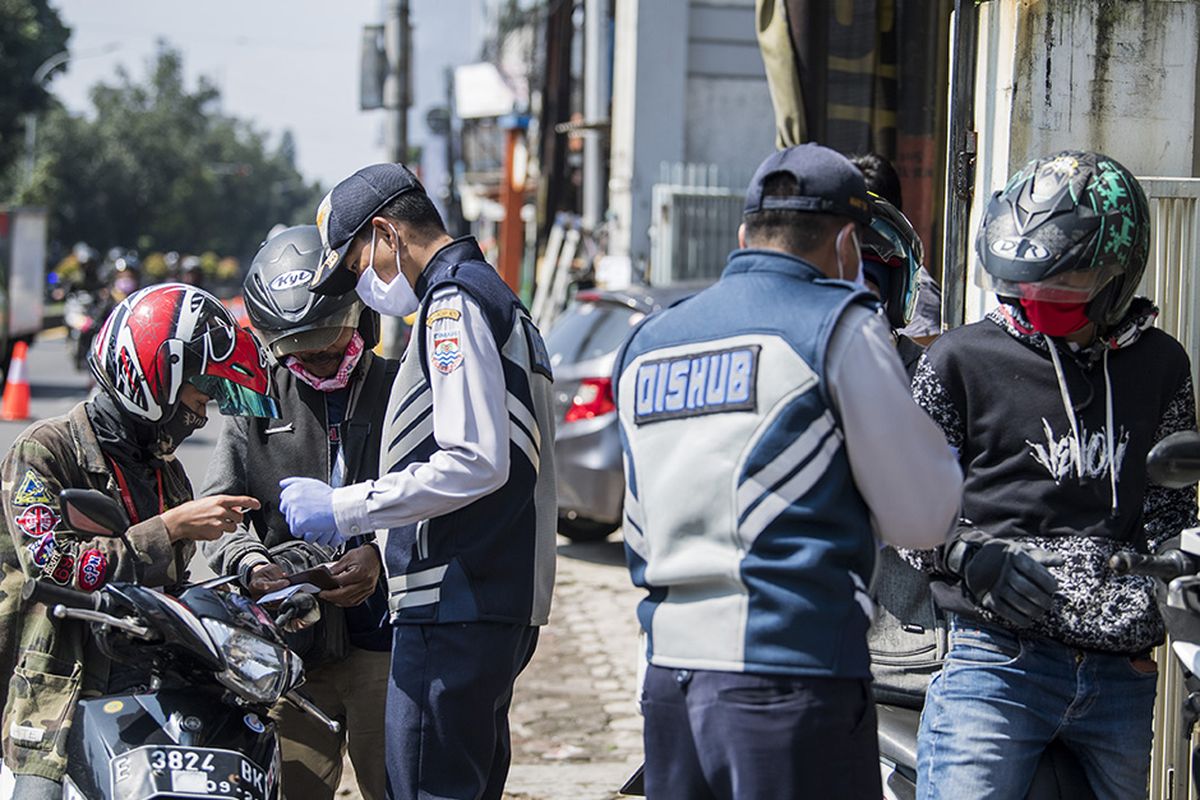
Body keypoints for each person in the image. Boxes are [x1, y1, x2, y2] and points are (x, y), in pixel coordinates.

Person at [612, 143, 963, 799]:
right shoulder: (838, 326)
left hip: (670, 679)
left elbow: (637, 522)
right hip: (791, 677)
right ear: (850, 246)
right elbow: (924, 517)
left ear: (745, 234)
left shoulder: (651, 342)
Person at [902, 151, 1198, 799]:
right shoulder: (960, 360)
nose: (1040, 300)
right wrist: (962, 553)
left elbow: (1172, 522)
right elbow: (902, 500)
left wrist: (1176, 636)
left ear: (1119, 275)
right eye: (1027, 284)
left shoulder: (1162, 367)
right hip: (997, 665)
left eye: (1068, 284)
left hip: (1121, 681)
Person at [280, 163, 558, 800]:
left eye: (356, 266)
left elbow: (475, 460)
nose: (363, 286)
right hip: (491, 599)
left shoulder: (452, 303)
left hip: (453, 602)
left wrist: (347, 507)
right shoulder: (497, 298)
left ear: (386, 234)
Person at [0, 283, 279, 798]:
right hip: (56, 702)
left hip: (144, 696)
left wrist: (250, 587)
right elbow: (57, 569)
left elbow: (167, 590)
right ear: (154, 378)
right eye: (196, 398)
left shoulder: (166, 472)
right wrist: (170, 528)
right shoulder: (43, 451)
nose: (200, 414)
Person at [202, 225, 396, 800]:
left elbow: (441, 499)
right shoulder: (251, 403)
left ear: (359, 318)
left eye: (327, 339)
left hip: (385, 647)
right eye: (295, 346)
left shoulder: (400, 389)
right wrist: (251, 561)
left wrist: (380, 553)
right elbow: (220, 512)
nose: (313, 356)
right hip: (288, 653)